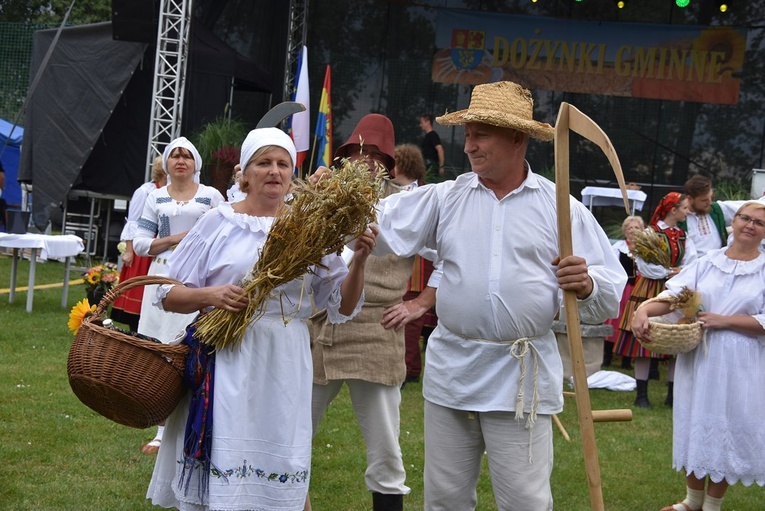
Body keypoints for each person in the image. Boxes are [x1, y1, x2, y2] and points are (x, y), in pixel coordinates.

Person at [371, 81, 626, 510]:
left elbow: (610, 288)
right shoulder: (446, 197)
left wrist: (587, 284)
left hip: (520, 378)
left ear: (517, 138)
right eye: (468, 134)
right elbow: (377, 225)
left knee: (524, 501)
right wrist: (330, 201)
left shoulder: (559, 208)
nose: (469, 146)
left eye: (481, 135)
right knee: (445, 498)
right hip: (454, 371)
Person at [146, 127, 375, 511]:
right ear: (245, 174)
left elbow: (342, 307)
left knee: (279, 459)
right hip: (227, 356)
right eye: (264, 163)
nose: (274, 171)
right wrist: (211, 295)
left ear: (292, 174)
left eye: (283, 164)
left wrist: (361, 261)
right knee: (225, 455)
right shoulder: (217, 221)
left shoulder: (309, 230)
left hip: (284, 359)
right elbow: (167, 294)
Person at [310, 114, 429, 511]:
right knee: (291, 433)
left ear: (388, 163)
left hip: (375, 330)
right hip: (320, 331)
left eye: (375, 155)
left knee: (385, 447)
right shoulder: (324, 197)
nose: (366, 161)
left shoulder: (408, 204)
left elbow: (451, 257)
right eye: (358, 153)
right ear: (345, 157)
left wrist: (419, 304)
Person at [633, 200, 765, 511]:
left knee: (728, 426)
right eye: (745, 218)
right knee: (697, 421)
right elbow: (675, 296)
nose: (749, 225)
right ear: (733, 223)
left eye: (758, 222)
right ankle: (691, 501)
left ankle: (712, 505)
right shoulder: (707, 262)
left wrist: (725, 320)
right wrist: (642, 310)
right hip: (701, 358)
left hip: (742, 361)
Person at [133, 137, 224, 454]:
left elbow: (226, 232)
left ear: (196, 163)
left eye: (187, 155)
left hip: (198, 278)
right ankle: (161, 428)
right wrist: (178, 238)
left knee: (192, 349)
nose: (181, 160)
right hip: (162, 277)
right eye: (175, 155)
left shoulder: (211, 196)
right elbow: (141, 244)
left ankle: (195, 419)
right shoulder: (154, 197)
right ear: (167, 163)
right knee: (161, 350)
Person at [613, 192, 697, 409]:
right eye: (685, 208)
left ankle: (672, 395)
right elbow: (643, 265)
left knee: (676, 339)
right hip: (651, 288)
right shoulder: (651, 233)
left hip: (676, 290)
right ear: (673, 209)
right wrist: (669, 272)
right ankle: (641, 395)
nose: (688, 212)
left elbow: (693, 261)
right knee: (645, 343)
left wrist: (682, 272)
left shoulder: (684, 236)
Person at [386, 143, 437, 385]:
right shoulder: (388, 191)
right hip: (398, 264)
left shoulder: (427, 194)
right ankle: (411, 368)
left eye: (393, 162)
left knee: (413, 322)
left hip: (420, 267)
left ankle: (410, 369)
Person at [110, 156, 168, 332]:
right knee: (139, 296)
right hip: (143, 251)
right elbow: (133, 222)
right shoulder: (145, 191)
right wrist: (129, 251)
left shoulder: (172, 192)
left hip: (161, 250)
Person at [602, 215, 644, 368]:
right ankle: (607, 357)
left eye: (636, 228)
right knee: (615, 321)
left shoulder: (644, 249)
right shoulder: (619, 247)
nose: (633, 231)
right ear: (625, 231)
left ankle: (626, 360)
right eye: (630, 228)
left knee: (631, 322)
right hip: (623, 288)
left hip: (638, 290)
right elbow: (610, 264)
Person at [678, 175, 739, 258]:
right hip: (693, 267)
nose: (709, 202)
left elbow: (750, 207)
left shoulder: (716, 209)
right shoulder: (679, 218)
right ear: (690, 199)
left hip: (719, 264)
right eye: (704, 200)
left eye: (710, 197)